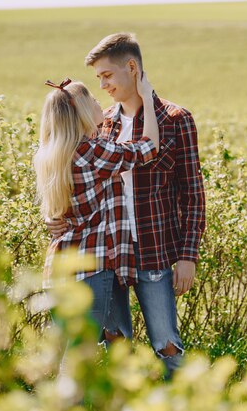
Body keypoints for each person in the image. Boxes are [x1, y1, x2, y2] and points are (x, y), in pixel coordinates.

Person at [45, 33, 206, 380]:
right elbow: (68, 176)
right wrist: (54, 218)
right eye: (97, 78)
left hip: (155, 252)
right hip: (108, 257)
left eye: (106, 75)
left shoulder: (176, 120)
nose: (101, 84)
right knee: (115, 344)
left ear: (132, 68)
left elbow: (192, 193)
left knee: (166, 343)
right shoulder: (101, 122)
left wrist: (188, 255)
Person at [34, 74, 160, 344]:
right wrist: (148, 100)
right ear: (82, 111)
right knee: (82, 354)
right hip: (92, 266)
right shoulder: (93, 151)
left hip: (59, 267)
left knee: (73, 348)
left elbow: (57, 210)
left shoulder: (51, 153)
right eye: (92, 98)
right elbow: (148, 148)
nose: (98, 100)